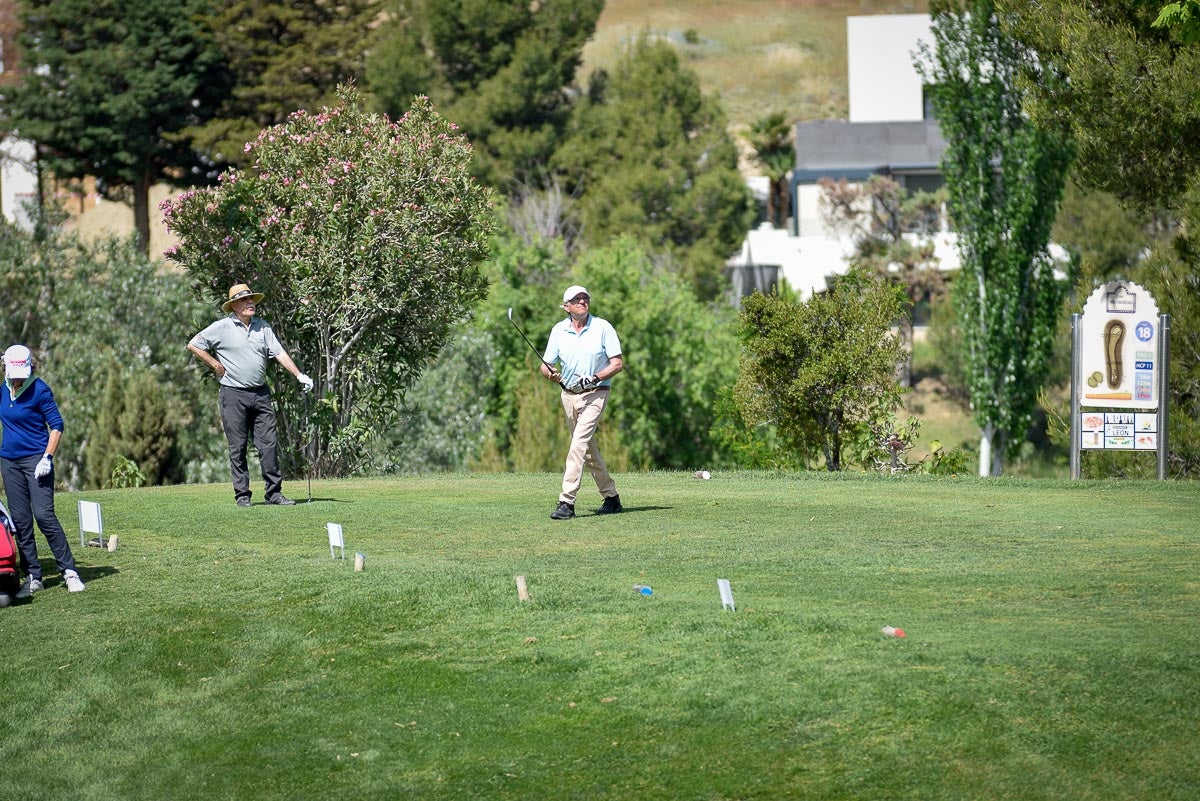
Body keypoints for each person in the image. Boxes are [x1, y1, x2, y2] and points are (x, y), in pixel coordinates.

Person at [188, 283, 313, 507]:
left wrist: (299, 375)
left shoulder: (262, 327)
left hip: (260, 394)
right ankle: (242, 495)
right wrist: (215, 364)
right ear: (234, 305)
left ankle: (274, 494)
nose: (250, 303)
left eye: (251, 299)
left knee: (269, 445)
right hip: (233, 394)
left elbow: (279, 353)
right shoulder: (221, 327)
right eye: (245, 300)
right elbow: (194, 344)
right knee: (238, 447)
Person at [0, 344, 85, 596]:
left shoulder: (39, 389)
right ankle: (33, 576)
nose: (18, 377)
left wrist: (47, 457)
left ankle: (69, 571)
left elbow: (57, 425)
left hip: (37, 460)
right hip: (9, 463)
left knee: (44, 516)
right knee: (21, 521)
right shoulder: (3, 391)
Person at [540, 285, 624, 520]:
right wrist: (551, 374)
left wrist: (596, 377)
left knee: (577, 445)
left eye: (585, 298)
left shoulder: (602, 327)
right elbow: (544, 365)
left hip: (596, 393)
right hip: (568, 395)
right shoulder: (558, 331)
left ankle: (566, 502)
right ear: (566, 306)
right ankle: (611, 498)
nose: (582, 301)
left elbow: (617, 363)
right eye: (576, 299)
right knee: (587, 450)